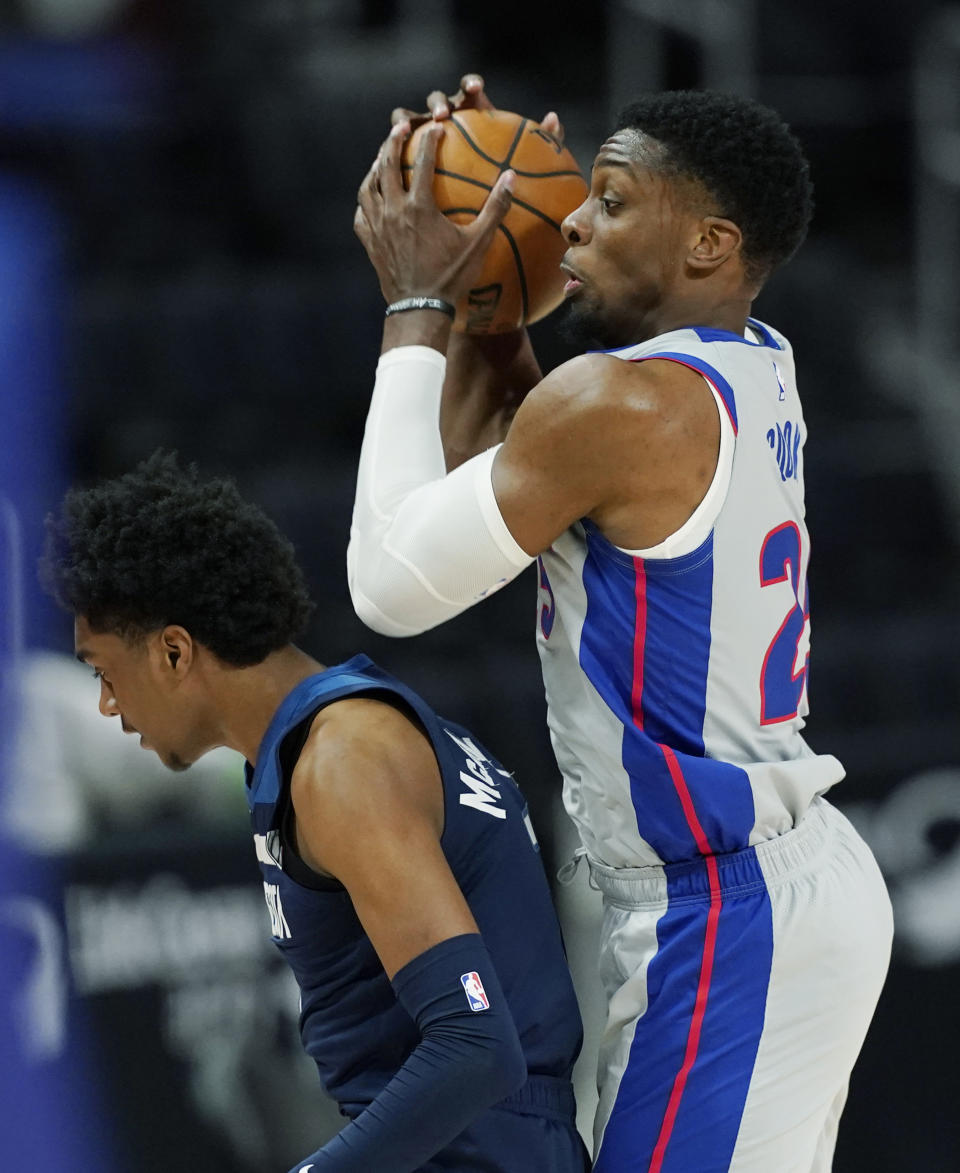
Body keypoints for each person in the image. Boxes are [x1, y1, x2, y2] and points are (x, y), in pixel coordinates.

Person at [349, 77, 894, 1172]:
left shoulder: (621, 406)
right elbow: (504, 475)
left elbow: (391, 584)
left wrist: (415, 307)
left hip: (730, 910)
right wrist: (490, 320)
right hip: (754, 887)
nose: (571, 222)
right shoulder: (743, 362)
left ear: (707, 243)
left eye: (607, 199)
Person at [39, 451, 591, 1173]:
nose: (107, 704)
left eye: (103, 671)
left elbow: (475, 1045)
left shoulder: (342, 763)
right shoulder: (331, 733)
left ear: (175, 652)